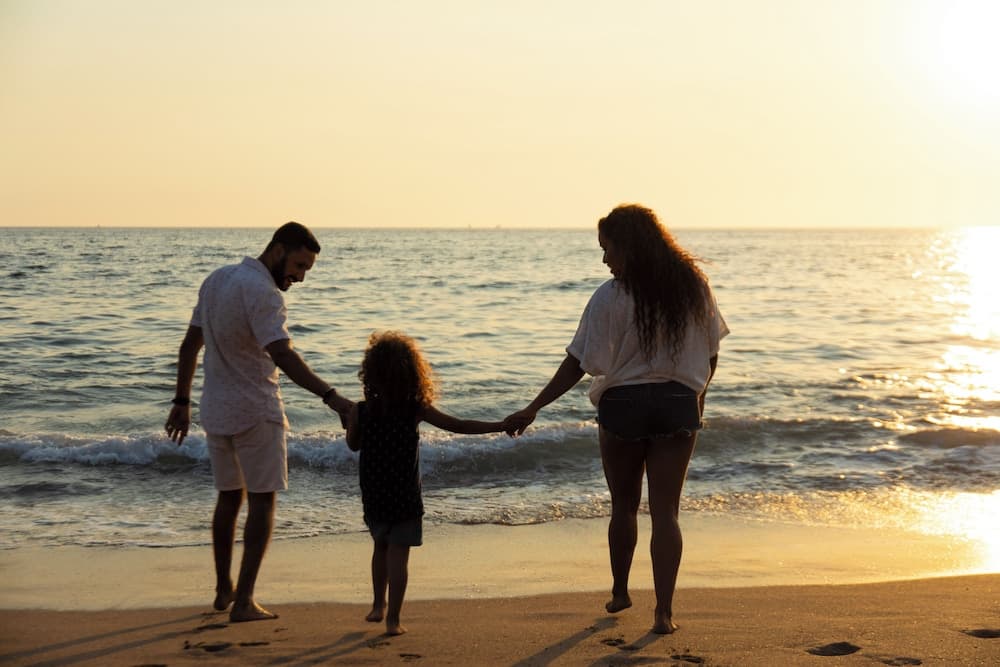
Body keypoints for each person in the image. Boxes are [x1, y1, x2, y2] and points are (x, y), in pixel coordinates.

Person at [506, 204, 728, 635]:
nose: (605, 259)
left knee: (623, 506)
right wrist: (697, 398)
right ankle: (663, 613)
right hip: (678, 402)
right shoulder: (693, 287)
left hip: (623, 405)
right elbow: (711, 354)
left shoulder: (610, 296)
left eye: (607, 248)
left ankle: (621, 591)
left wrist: (534, 407)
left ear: (629, 246)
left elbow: (577, 363)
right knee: (666, 512)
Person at [164, 221, 352, 623]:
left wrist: (181, 400)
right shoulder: (264, 292)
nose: (300, 277)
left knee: (229, 497)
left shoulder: (217, 280)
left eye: (307, 270)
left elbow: (190, 345)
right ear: (278, 249)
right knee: (263, 501)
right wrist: (332, 397)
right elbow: (282, 354)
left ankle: (223, 589)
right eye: (299, 266)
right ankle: (245, 601)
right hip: (256, 411)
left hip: (216, 410)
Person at [345, 331, 514, 636]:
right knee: (399, 555)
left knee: (380, 547)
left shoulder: (361, 410)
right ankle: (393, 620)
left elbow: (353, 445)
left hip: (374, 493)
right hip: (405, 495)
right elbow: (458, 425)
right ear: (413, 373)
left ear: (370, 373)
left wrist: (352, 425)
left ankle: (377, 605)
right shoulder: (414, 409)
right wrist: (499, 425)